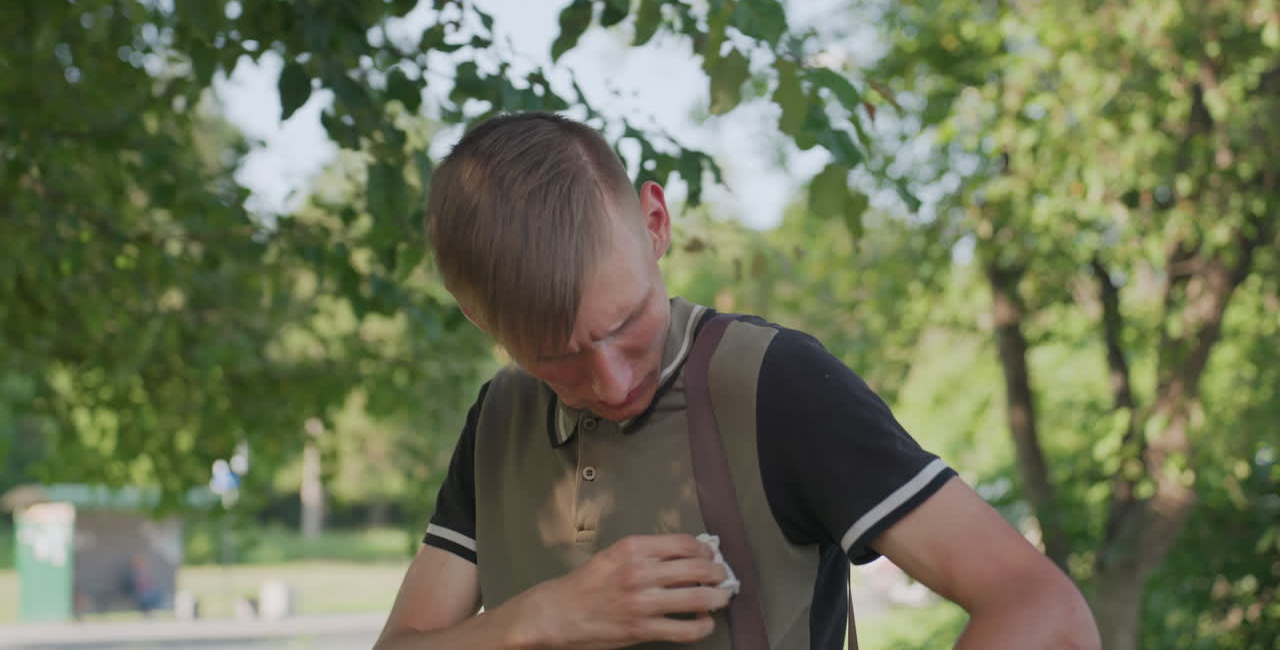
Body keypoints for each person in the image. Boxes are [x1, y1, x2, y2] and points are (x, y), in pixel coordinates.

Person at [373, 112, 1100, 649]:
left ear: (655, 222)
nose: (614, 377)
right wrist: (546, 616)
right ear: (477, 319)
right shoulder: (498, 420)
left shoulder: (775, 385)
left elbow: (1043, 609)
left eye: (626, 322)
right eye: (556, 357)